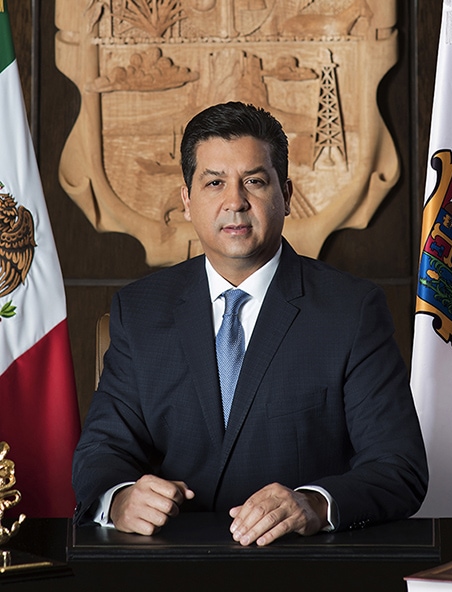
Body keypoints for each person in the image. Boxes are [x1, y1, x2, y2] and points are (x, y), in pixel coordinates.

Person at [72, 101, 428, 547]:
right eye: (214, 183)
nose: (235, 202)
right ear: (187, 201)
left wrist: (315, 505)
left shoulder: (351, 310)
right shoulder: (139, 311)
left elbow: (399, 468)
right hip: (168, 562)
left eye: (255, 182)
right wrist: (120, 498)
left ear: (287, 195)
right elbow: (101, 451)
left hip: (301, 565)